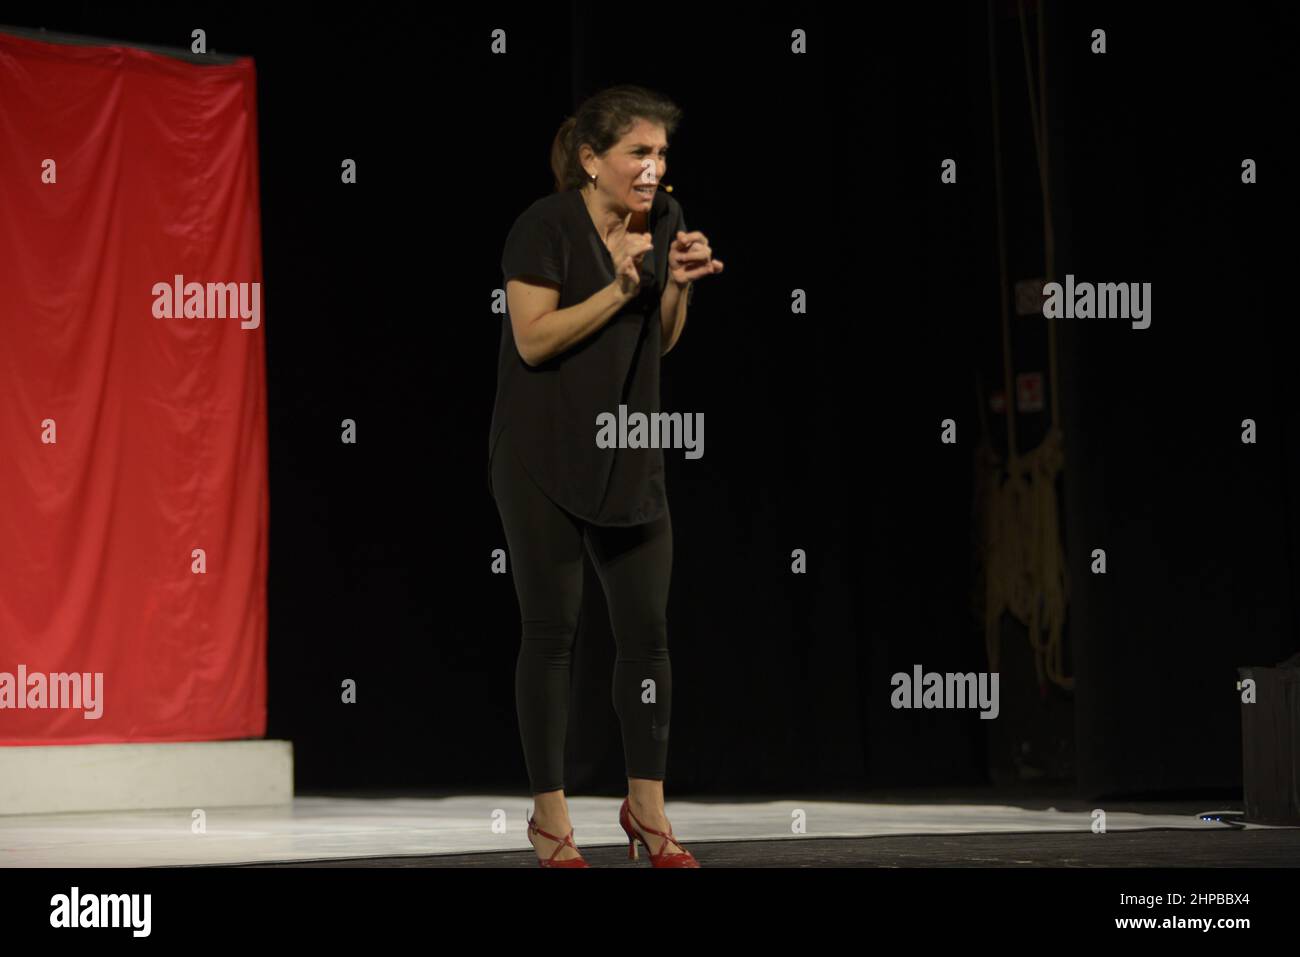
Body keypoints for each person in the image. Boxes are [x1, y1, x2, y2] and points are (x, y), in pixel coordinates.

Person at [487, 84, 724, 867]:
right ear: (592, 160)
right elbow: (533, 340)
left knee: (647, 635)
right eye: (638, 153)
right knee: (553, 630)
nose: (654, 169)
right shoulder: (543, 227)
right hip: (541, 451)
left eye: (661, 154)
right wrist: (619, 285)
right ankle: (550, 817)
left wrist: (676, 282)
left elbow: (657, 342)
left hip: (629, 446)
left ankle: (647, 811)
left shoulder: (666, 218)